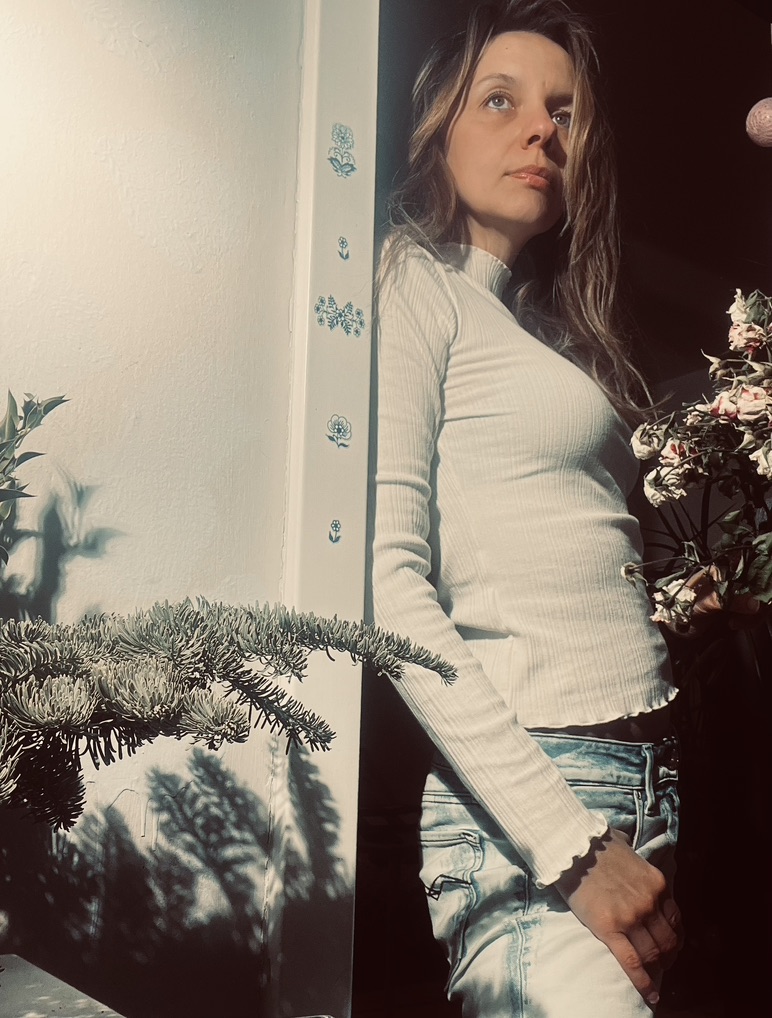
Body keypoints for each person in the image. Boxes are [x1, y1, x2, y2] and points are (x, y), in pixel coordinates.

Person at [371, 2, 689, 1015]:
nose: (541, 131)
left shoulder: (528, 326)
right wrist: (571, 845)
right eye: (500, 101)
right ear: (439, 130)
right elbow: (387, 590)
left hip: (631, 790)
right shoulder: (411, 283)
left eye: (564, 111)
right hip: (546, 807)